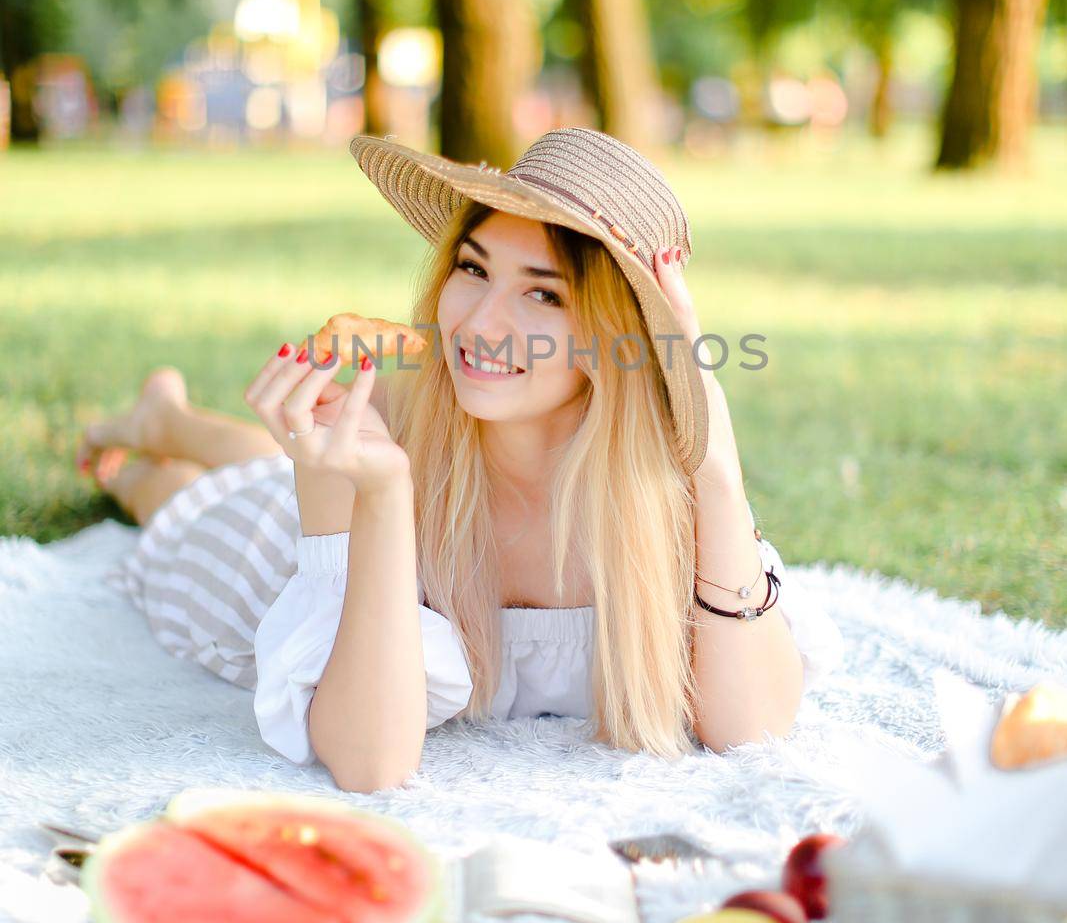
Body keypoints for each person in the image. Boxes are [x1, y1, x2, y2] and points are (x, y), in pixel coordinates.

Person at [79, 127, 843, 791]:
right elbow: (367, 763)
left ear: (619, 336)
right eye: (472, 269)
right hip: (266, 557)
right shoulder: (395, 421)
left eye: (543, 295)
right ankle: (145, 452)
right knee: (186, 503)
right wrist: (380, 500)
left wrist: (714, 463)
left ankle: (164, 420)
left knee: (254, 464)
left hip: (364, 471)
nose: (479, 325)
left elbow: (750, 729)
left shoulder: (662, 494)